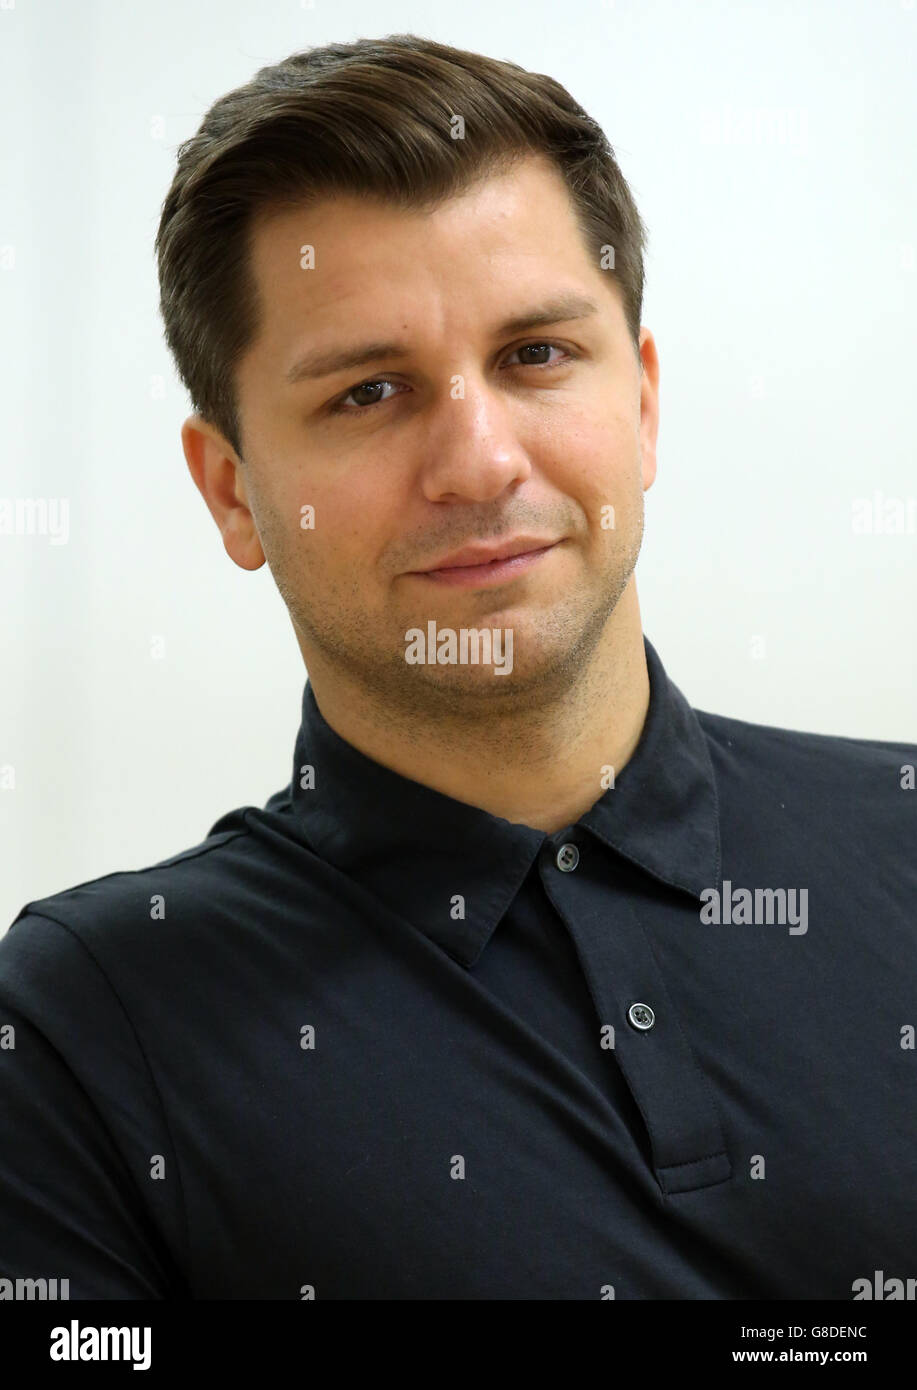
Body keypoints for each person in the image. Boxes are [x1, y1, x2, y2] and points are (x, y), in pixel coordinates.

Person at [1, 33, 914, 1301]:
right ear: (232, 492)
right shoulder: (83, 1029)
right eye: (370, 391)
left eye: (536, 355)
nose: (479, 463)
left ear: (640, 406)